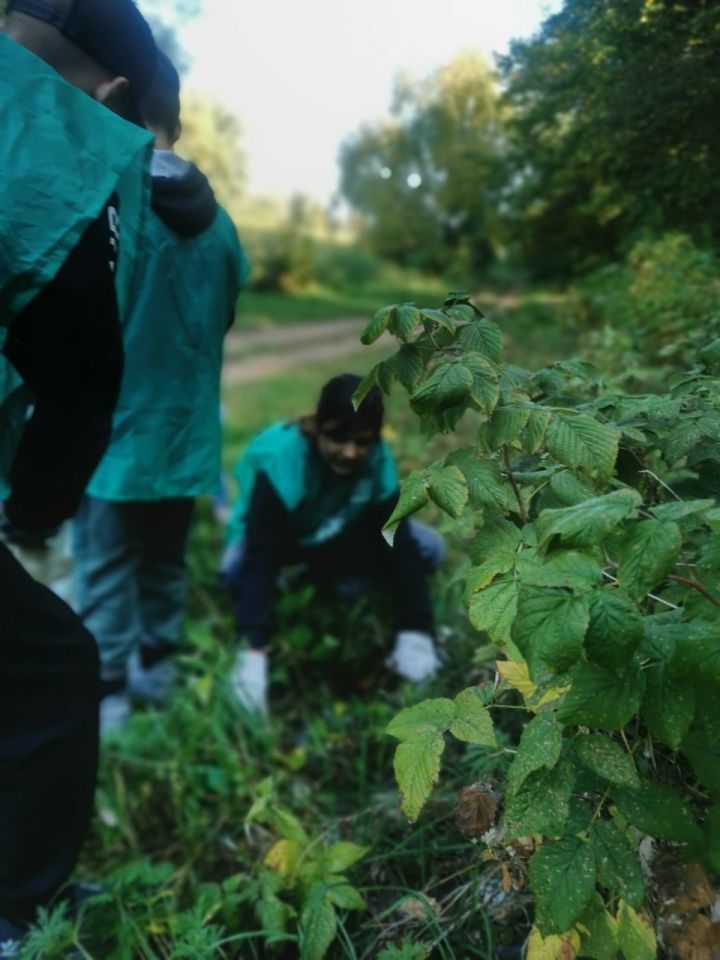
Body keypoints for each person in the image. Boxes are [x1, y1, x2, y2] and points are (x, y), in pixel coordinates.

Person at [0, 0, 157, 948]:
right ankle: (17, 913)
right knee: (54, 665)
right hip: (106, 469)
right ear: (116, 94)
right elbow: (81, 362)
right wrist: (33, 514)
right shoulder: (56, 133)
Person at [72, 52, 250, 735]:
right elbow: (222, 317)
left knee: (106, 567)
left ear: (112, 102)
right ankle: (159, 666)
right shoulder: (223, 226)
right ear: (174, 120)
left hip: (113, 441)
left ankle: (110, 694)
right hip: (184, 437)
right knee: (164, 560)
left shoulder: (102, 205)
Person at [223, 373, 443, 717]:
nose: (349, 452)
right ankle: (316, 583)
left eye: (362, 442)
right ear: (317, 426)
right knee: (236, 571)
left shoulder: (377, 459)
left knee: (429, 547)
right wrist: (253, 649)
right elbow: (261, 555)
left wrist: (416, 627)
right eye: (337, 438)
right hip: (281, 541)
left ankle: (330, 583)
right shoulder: (283, 461)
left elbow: (396, 537)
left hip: (335, 531)